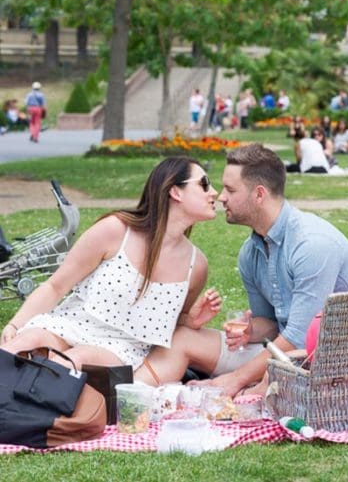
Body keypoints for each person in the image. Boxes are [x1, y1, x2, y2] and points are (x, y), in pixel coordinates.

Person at [144, 144, 348, 395]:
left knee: (242, 389)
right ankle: (125, 395)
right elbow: (270, 324)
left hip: (331, 359)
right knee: (183, 338)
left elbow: (299, 337)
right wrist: (251, 331)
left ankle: (242, 386)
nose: (221, 197)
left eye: (230, 189)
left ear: (259, 194)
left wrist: (235, 379)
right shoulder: (250, 253)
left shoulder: (311, 244)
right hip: (283, 352)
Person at [0, 157, 222, 382]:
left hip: (120, 348)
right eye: (204, 184)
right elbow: (55, 286)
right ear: (176, 192)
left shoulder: (196, 266)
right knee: (22, 345)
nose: (214, 192)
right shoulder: (115, 230)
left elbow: (163, 324)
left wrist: (190, 321)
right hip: (71, 323)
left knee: (69, 363)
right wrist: (15, 324)